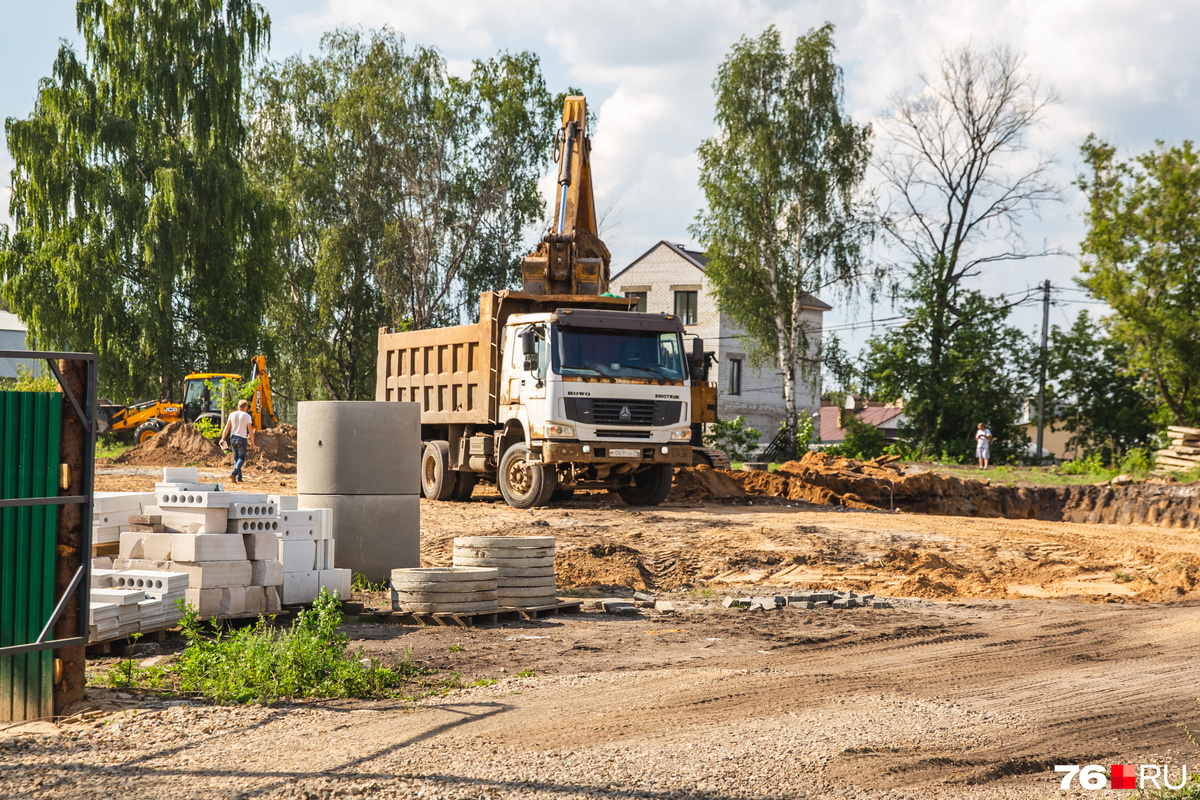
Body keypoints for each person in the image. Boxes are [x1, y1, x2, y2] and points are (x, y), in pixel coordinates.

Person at [219, 399, 255, 483]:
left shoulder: (232, 414)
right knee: (241, 458)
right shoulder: (247, 416)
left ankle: (239, 478)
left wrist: (223, 438)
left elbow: (227, 427)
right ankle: (234, 473)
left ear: (238, 406)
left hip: (233, 438)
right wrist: (252, 441)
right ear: (245, 407)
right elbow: (250, 429)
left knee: (236, 458)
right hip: (242, 438)